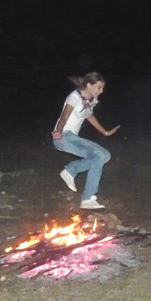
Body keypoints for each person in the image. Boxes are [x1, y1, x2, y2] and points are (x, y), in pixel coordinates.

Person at [52, 72, 120, 209]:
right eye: (99, 87)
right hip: (64, 136)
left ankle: (71, 170)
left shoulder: (89, 101)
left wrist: (105, 132)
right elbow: (64, 117)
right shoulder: (74, 97)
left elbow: (90, 117)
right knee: (99, 157)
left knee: (105, 156)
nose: (101, 91)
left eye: (102, 88)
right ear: (89, 85)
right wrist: (58, 131)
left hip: (72, 137)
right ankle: (88, 198)